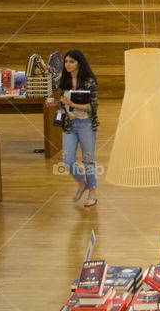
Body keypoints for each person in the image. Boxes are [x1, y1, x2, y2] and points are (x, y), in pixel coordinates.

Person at [58, 49, 99, 208]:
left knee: (88, 160)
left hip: (86, 125)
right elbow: (64, 103)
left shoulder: (89, 82)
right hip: (70, 125)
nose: (67, 64)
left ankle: (93, 193)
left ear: (79, 63)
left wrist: (73, 105)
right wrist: (57, 104)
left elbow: (93, 106)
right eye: (66, 61)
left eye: (71, 61)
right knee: (67, 160)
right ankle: (81, 183)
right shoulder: (65, 81)